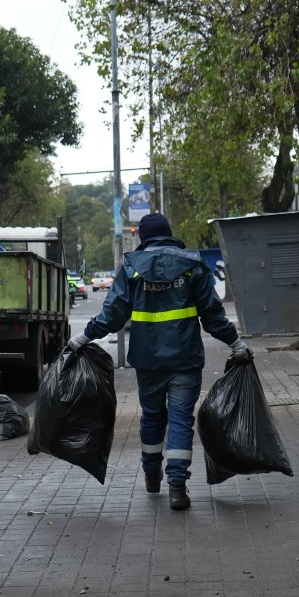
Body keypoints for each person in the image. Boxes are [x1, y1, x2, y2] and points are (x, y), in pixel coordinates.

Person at [66, 213, 250, 511]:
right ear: (169, 233)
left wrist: (83, 337)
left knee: (152, 418)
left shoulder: (132, 268)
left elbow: (112, 315)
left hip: (148, 362)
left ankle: (152, 476)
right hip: (185, 360)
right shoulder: (192, 265)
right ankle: (177, 485)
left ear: (144, 239)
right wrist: (236, 343)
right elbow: (212, 316)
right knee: (180, 420)